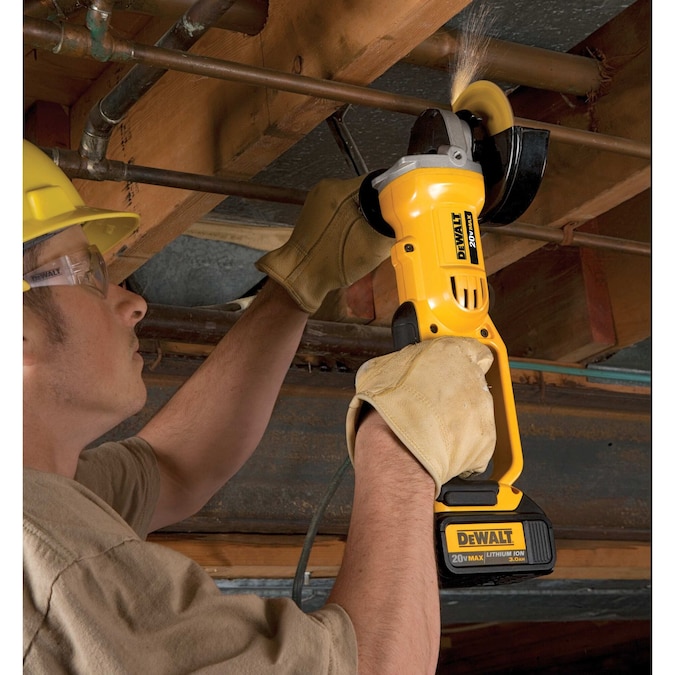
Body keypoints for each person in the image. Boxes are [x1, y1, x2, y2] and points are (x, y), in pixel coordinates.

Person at [23, 139, 496, 674]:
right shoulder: (54, 563)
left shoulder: (47, 503)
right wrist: (400, 453)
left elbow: (173, 468)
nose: (133, 302)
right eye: (88, 274)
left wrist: (301, 280)